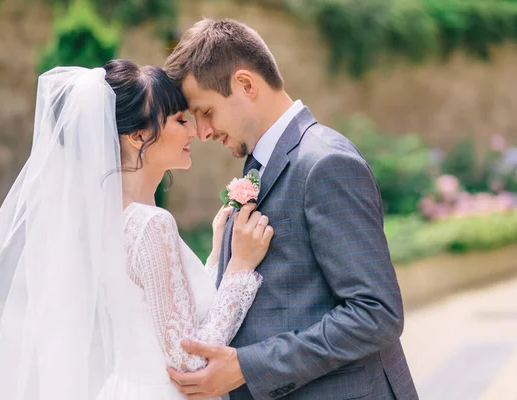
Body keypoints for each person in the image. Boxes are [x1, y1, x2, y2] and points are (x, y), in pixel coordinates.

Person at [0, 60, 273, 399]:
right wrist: (241, 268)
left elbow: (169, 314)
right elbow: (189, 360)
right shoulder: (151, 225)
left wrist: (219, 252)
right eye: (179, 120)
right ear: (138, 136)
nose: (192, 131)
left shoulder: (105, 221)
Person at [163, 18, 418, 400]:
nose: (201, 132)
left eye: (206, 112)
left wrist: (249, 366)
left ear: (246, 85)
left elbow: (376, 313)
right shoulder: (260, 165)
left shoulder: (324, 163)